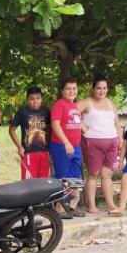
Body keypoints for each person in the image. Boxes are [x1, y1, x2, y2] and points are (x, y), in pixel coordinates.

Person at [78, 75, 123, 213]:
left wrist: (120, 138)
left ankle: (110, 204)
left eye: (104, 88)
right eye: (98, 88)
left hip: (111, 142)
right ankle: (92, 206)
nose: (101, 91)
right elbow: (71, 113)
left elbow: (116, 123)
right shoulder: (86, 102)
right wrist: (82, 127)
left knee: (107, 174)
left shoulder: (110, 103)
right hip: (93, 142)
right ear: (93, 89)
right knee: (93, 174)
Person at [50, 77, 86, 216]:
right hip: (61, 146)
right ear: (62, 91)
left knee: (75, 178)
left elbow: (76, 124)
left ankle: (72, 207)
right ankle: (59, 209)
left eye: (74, 88)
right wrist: (66, 142)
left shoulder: (74, 106)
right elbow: (55, 124)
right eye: (68, 89)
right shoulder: (60, 104)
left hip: (75, 147)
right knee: (62, 178)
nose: (71, 91)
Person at [9, 86, 51, 180]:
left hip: (44, 153)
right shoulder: (22, 112)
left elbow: (50, 128)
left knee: (43, 182)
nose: (35, 101)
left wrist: (49, 146)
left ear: (42, 99)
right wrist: (20, 147)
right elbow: (11, 130)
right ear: (27, 100)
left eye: (38, 98)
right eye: (32, 99)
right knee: (29, 184)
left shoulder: (46, 111)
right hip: (28, 153)